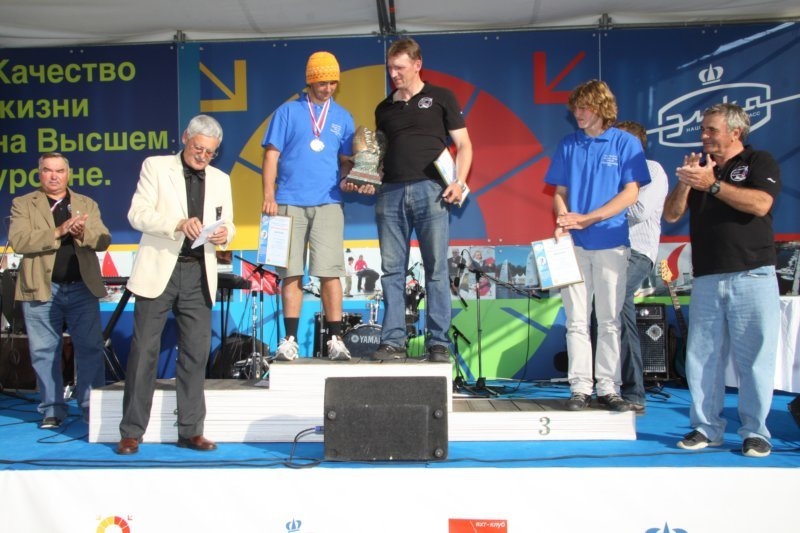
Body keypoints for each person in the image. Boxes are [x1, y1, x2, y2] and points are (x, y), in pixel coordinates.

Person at [664, 103, 781, 458]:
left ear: (735, 132)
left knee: (755, 359)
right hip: (707, 277)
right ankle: (705, 427)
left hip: (752, 273)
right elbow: (671, 214)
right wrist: (687, 182)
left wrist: (713, 185)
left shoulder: (759, 161)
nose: (703, 135)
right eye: (702, 129)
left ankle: (755, 432)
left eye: (711, 129)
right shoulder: (701, 168)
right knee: (702, 357)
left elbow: (760, 204)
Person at [117, 115, 235, 455]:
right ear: (185, 138)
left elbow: (228, 222)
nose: (203, 156)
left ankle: (191, 430)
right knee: (144, 351)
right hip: (159, 271)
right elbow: (137, 214)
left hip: (199, 273)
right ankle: (131, 432)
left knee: (196, 353)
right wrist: (178, 223)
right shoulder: (155, 167)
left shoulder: (221, 179)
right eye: (199, 148)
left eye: (210, 152)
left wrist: (225, 234)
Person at [544, 80, 650, 412]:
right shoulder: (568, 144)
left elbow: (631, 192)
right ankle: (579, 388)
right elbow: (559, 192)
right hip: (573, 245)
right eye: (575, 108)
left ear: (602, 108)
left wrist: (589, 218)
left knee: (609, 320)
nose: (578, 113)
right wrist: (563, 219)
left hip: (611, 242)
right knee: (576, 320)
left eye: (585, 107)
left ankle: (608, 387)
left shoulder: (625, 142)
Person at [261, 51, 367, 362]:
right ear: (310, 81)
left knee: (330, 272)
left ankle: (336, 339)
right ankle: (289, 340)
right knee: (291, 272)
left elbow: (346, 160)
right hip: (288, 201)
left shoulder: (343, 117)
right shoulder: (287, 112)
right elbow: (271, 156)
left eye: (333, 82)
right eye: (323, 83)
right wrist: (269, 195)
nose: (328, 88)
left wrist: (349, 176)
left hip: (329, 202)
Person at [372, 37, 473, 363]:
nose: (394, 74)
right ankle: (393, 341)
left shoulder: (442, 97)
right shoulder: (383, 108)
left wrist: (459, 182)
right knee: (391, 271)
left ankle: (438, 343)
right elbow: (378, 155)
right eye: (390, 68)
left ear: (417, 65)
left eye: (399, 68)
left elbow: (464, 145)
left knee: (436, 270)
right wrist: (364, 175)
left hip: (431, 191)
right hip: (390, 194)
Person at [9, 152, 111, 428]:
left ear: (68, 174)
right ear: (39, 173)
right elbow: (19, 240)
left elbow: (103, 239)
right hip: (41, 288)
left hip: (82, 289)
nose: (54, 176)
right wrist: (58, 231)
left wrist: (81, 233)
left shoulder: (86, 203)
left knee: (90, 348)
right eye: (48, 170)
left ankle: (91, 407)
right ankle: (52, 409)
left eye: (59, 171)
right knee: (44, 351)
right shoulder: (23, 203)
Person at [614, 121, 669, 414]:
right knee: (601, 312)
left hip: (637, 251)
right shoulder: (608, 173)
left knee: (617, 301)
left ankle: (634, 392)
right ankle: (607, 386)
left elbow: (638, 211)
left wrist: (601, 208)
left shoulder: (652, 170)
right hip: (606, 252)